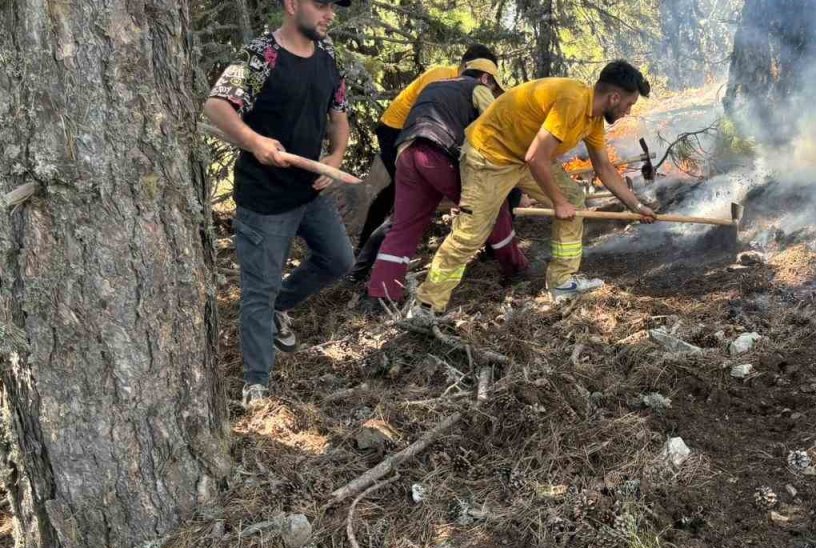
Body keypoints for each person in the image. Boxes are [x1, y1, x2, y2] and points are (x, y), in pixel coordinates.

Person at [407, 60, 656, 324]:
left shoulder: (592, 119)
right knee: (471, 233)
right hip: (489, 156)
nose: (628, 111)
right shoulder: (572, 101)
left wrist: (636, 207)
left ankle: (562, 282)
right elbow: (537, 157)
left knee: (574, 197)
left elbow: (604, 168)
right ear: (614, 97)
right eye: (628, 104)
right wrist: (557, 202)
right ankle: (426, 304)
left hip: (522, 156)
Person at [204, 0, 354, 407]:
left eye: (334, 8)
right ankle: (257, 383)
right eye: (320, 4)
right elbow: (217, 104)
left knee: (339, 260)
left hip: (310, 192)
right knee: (258, 289)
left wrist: (335, 159)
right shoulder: (260, 55)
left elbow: (339, 116)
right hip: (265, 199)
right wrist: (254, 142)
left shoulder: (327, 58)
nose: (330, 14)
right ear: (291, 4)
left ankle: (279, 306)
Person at [363, 59, 529, 307]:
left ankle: (381, 294)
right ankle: (516, 268)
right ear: (486, 78)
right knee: (492, 207)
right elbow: (498, 124)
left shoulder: (437, 85)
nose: (493, 92)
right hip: (440, 153)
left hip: (407, 153)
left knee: (404, 227)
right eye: (494, 87)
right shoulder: (478, 88)